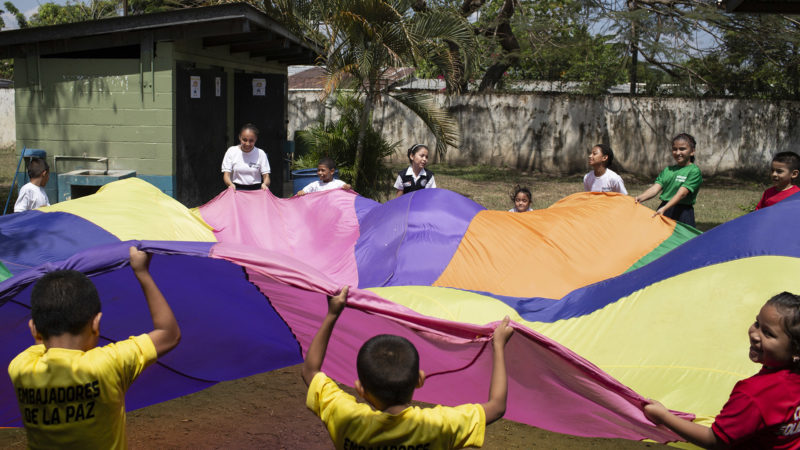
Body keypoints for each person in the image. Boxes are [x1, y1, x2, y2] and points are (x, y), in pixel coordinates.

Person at [8, 247, 181, 449]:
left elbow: (42, 346)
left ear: (34, 329)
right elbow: (169, 334)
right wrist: (142, 272)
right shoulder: (107, 365)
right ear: (96, 323)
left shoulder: (20, 368)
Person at [303, 286, 514, 449]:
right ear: (419, 380)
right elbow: (496, 406)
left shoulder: (347, 419)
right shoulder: (438, 426)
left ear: (360, 389)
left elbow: (310, 372)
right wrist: (498, 346)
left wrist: (332, 314)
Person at [643, 292, 800, 449]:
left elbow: (714, 440)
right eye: (757, 323)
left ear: (795, 349)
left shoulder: (753, 395)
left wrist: (663, 416)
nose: (755, 335)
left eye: (768, 333)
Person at [634, 133, 702, 227]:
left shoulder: (694, 171)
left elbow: (682, 194)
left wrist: (665, 208)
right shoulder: (668, 170)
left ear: (692, 151)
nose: (678, 153)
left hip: (683, 213)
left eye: (682, 149)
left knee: (684, 237)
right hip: (664, 210)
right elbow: (655, 189)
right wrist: (639, 198)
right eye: (675, 149)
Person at [221, 123, 271, 191]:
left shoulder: (261, 153)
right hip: (236, 190)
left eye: (251, 141)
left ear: (256, 139)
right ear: (239, 137)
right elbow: (226, 175)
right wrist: (230, 184)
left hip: (256, 190)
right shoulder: (231, 151)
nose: (247, 144)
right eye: (244, 140)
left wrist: (265, 184)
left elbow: (266, 176)